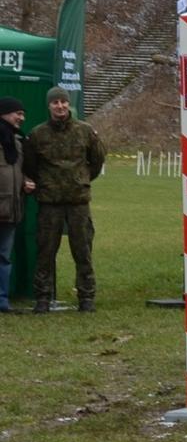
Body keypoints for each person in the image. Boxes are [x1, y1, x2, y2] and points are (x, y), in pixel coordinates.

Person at [22, 86, 104, 313]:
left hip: (78, 201)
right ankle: (43, 298)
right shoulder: (37, 134)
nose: (60, 106)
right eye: (55, 102)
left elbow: (97, 161)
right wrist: (48, 183)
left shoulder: (85, 131)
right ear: (49, 106)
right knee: (45, 251)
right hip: (50, 202)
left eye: (63, 102)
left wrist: (81, 179)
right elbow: (30, 165)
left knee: (83, 251)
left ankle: (86, 297)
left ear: (69, 104)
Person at [0, 96, 31, 314]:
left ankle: (1, 301)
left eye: (23, 114)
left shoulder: (18, 142)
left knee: (4, 258)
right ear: (4, 113)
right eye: (18, 113)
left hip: (10, 210)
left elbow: (18, 172)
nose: (21, 118)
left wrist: (25, 182)